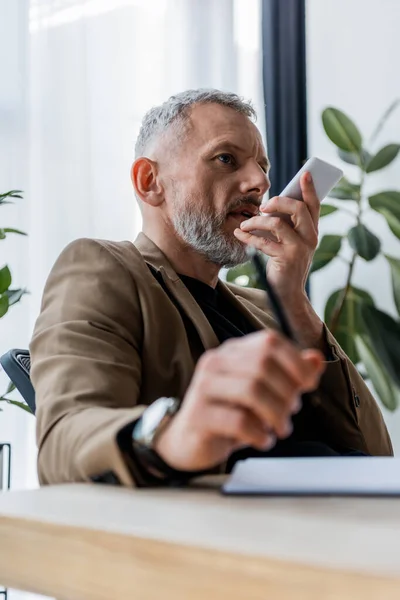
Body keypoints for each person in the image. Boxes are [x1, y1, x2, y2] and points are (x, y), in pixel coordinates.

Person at [30, 89, 392, 487]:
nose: (260, 181)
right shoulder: (103, 269)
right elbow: (63, 444)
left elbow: (375, 451)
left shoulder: (266, 308)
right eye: (226, 159)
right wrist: (175, 433)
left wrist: (293, 299)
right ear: (150, 181)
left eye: (262, 166)